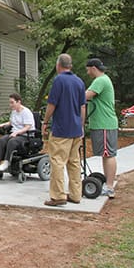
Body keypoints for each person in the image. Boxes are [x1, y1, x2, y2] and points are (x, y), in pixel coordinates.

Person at [42, 54, 86, 207]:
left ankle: (58, 195)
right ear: (71, 66)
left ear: (58, 65)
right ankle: (75, 195)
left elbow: (52, 104)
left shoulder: (59, 80)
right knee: (74, 162)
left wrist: (45, 122)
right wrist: (81, 126)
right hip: (75, 129)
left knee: (57, 161)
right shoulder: (79, 82)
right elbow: (82, 106)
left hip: (61, 129)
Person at [85, 58, 118, 199]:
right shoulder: (103, 79)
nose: (87, 72)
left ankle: (109, 187)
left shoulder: (100, 80)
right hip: (103, 123)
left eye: (88, 69)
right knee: (106, 155)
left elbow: (85, 96)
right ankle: (108, 183)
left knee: (108, 154)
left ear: (93, 68)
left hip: (104, 123)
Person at [0, 93, 36, 172]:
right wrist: (2, 124)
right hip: (15, 134)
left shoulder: (26, 112)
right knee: (2, 140)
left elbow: (28, 127)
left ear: (18, 102)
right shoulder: (14, 112)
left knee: (12, 141)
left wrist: (17, 133)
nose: (10, 105)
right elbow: (11, 122)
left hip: (25, 135)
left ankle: (6, 162)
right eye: (10, 102)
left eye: (12, 102)